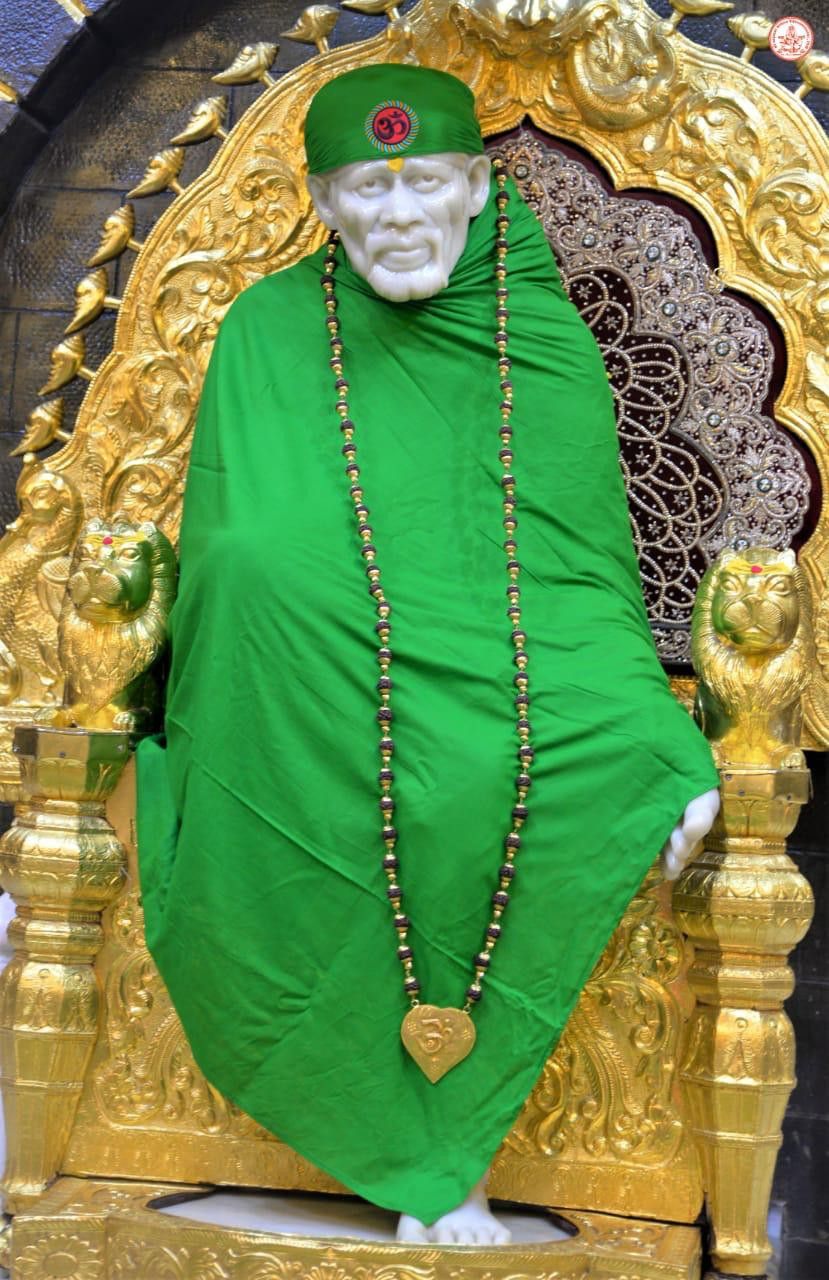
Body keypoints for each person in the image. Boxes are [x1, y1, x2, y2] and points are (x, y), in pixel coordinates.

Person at [136, 63, 720, 1247]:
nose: (396, 217)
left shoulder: (535, 337)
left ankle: (445, 1152)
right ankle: (415, 1155)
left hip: (511, 664)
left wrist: (664, 728)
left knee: (593, 759)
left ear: (475, 188)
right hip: (299, 690)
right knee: (260, 580)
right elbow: (231, 537)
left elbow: (578, 577)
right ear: (323, 203)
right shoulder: (267, 327)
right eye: (365, 190)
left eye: (423, 186)